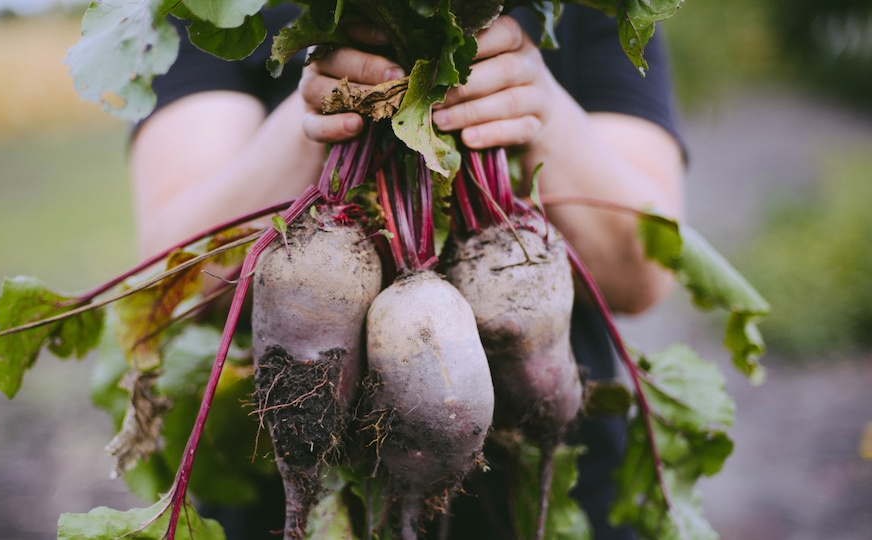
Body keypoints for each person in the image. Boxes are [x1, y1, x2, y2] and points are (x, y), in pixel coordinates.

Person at [129, 4, 686, 539]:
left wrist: (540, 107)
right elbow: (174, 275)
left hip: (574, 480)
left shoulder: (587, 7)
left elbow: (642, 277)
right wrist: (320, 108)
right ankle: (306, 504)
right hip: (263, 504)